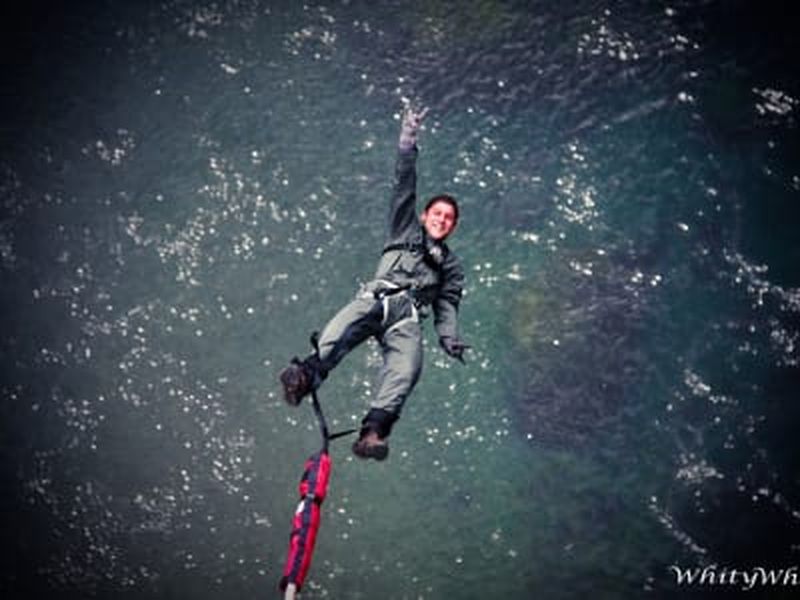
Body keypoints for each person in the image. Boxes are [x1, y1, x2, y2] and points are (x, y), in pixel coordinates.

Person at [279, 106, 468, 461]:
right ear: (425, 216)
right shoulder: (404, 226)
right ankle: (303, 377)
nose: (442, 220)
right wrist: (408, 141)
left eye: (449, 218)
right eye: (437, 214)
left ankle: (373, 433)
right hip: (378, 297)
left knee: (408, 367)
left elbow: (447, 304)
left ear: (453, 227)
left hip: (407, 318)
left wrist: (449, 338)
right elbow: (404, 185)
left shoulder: (452, 266)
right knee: (342, 329)